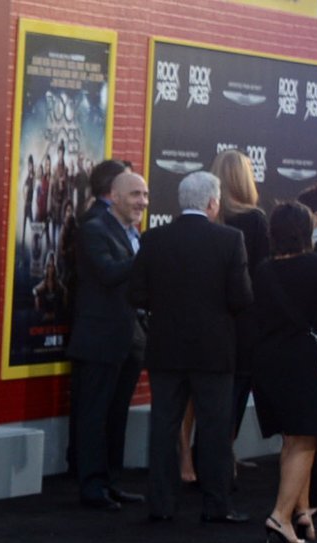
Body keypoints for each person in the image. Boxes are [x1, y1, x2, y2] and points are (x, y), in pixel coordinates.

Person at [128, 170, 253, 523]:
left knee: (164, 425)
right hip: (214, 350)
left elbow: (135, 293)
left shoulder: (153, 239)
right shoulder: (230, 240)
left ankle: (162, 505)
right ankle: (216, 505)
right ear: (213, 204)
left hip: (165, 347)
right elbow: (242, 298)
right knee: (214, 428)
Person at [248, 201, 317, 543]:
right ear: (306, 230)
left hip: (268, 363)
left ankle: (300, 514)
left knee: (294, 439)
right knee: (304, 440)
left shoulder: (262, 271)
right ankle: (279, 516)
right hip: (307, 362)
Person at [187, 149, 270, 492]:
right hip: (245, 322)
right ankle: (220, 459)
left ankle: (203, 457)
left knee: (203, 396)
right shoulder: (254, 220)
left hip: (204, 319)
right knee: (234, 393)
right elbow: (262, 274)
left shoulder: (204, 221)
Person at [66, 163, 147, 511]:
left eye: (144, 194)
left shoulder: (133, 234)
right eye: (134, 194)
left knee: (117, 417)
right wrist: (147, 259)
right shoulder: (95, 230)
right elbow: (107, 273)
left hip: (128, 339)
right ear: (114, 197)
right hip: (99, 339)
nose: (142, 201)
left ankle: (112, 481)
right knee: (94, 415)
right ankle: (92, 485)